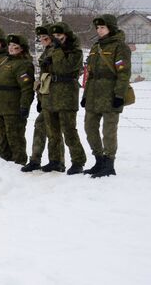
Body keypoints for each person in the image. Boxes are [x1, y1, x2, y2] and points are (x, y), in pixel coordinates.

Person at [82, 14, 132, 177]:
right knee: (89, 128)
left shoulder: (120, 47)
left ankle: (109, 164)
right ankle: (99, 160)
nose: (99, 30)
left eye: (102, 27)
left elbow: (123, 74)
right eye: (97, 28)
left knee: (109, 131)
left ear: (111, 28)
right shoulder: (96, 47)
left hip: (111, 94)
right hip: (93, 95)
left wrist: (119, 95)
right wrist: (85, 95)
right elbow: (90, 73)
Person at [38, 22, 87, 174]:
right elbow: (44, 74)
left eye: (60, 36)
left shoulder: (75, 51)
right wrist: (41, 96)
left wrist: (57, 51)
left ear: (67, 35)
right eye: (56, 36)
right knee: (52, 132)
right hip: (50, 94)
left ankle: (78, 161)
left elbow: (64, 67)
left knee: (69, 130)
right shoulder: (51, 50)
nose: (58, 39)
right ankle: (55, 160)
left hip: (66, 94)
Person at [22, 25, 62, 171]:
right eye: (41, 39)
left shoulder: (57, 51)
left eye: (46, 38)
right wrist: (39, 97)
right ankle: (36, 159)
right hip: (46, 94)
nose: (43, 41)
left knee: (54, 128)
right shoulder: (47, 51)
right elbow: (43, 78)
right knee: (41, 125)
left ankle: (57, 161)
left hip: (56, 95)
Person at [0, 34, 35, 166]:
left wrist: (24, 106)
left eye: (15, 47)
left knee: (14, 137)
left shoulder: (23, 64)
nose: (11, 49)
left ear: (22, 49)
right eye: (10, 46)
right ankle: (4, 163)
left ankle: (19, 162)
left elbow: (27, 88)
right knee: (0, 138)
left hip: (13, 108)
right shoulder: (5, 61)